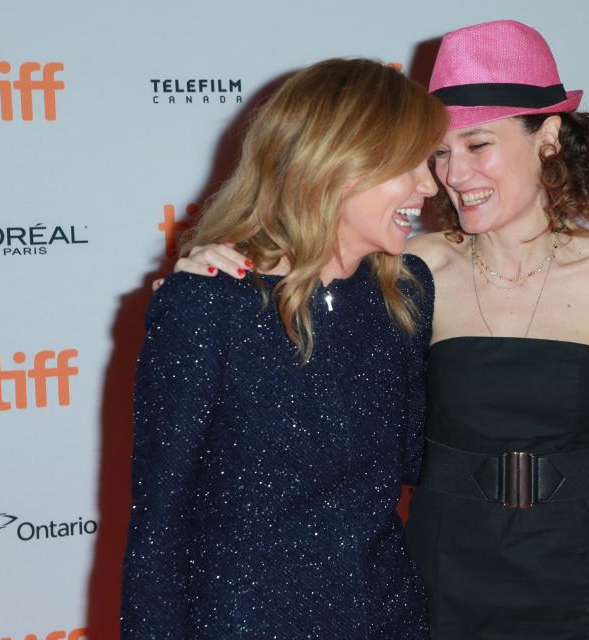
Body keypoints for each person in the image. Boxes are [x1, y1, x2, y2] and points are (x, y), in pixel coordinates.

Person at [121, 58, 447, 638]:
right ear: (338, 164)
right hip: (245, 623)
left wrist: (563, 457)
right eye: (409, 164)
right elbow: (158, 524)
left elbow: (418, 459)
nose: (430, 185)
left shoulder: (404, 294)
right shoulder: (207, 305)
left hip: (386, 616)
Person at [405, 21, 589, 639]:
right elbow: (297, 271)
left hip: (580, 574)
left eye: (477, 144)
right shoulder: (414, 268)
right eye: (441, 151)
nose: (454, 172)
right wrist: (207, 268)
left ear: (548, 136)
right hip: (446, 575)